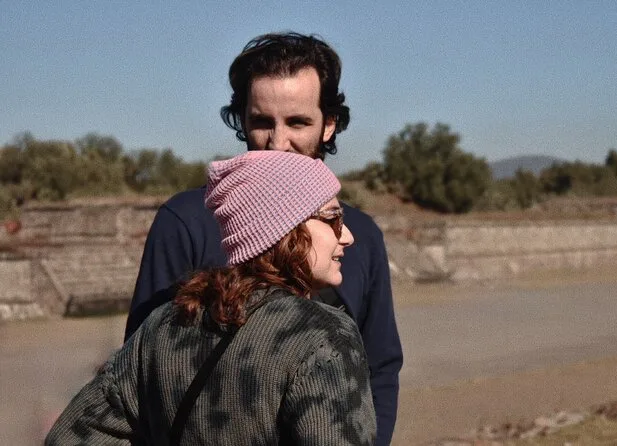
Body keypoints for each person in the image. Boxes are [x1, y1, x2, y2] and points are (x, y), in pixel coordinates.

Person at [125, 32, 402, 444]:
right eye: (261, 122)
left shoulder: (358, 235)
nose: (277, 143)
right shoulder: (185, 221)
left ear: (328, 125)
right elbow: (139, 378)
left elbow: (379, 368)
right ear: (242, 121)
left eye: (297, 122)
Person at [46, 151, 377, 445]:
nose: (347, 236)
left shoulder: (164, 323)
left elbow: (69, 437)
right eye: (333, 218)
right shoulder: (324, 336)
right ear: (286, 230)